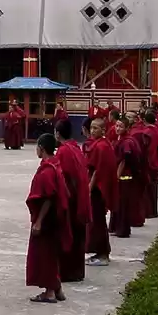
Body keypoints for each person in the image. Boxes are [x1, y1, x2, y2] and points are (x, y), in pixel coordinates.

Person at [26, 134, 71, 304]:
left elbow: (49, 197)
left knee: (45, 254)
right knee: (50, 252)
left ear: (42, 148)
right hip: (53, 218)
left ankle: (50, 291)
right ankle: (57, 287)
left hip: (47, 220)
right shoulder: (54, 164)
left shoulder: (48, 171)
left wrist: (39, 221)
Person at [54, 119, 90, 284]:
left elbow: (64, 178)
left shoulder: (63, 152)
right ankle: (77, 271)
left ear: (57, 133)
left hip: (71, 199)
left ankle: (68, 272)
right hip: (81, 196)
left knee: (68, 235)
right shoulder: (76, 148)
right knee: (77, 235)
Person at [84, 118, 118, 266]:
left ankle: (103, 254)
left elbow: (98, 171)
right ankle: (100, 252)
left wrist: (89, 189)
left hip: (98, 189)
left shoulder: (102, 147)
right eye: (91, 128)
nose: (93, 131)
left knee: (98, 222)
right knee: (96, 222)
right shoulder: (98, 144)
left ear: (103, 130)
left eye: (96, 128)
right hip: (95, 187)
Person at [108, 117, 140, 238]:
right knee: (117, 202)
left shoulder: (127, 142)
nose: (117, 128)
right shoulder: (119, 140)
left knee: (122, 203)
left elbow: (124, 160)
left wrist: (117, 176)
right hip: (118, 174)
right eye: (116, 126)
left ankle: (122, 230)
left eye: (121, 126)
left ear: (127, 128)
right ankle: (115, 227)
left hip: (124, 176)